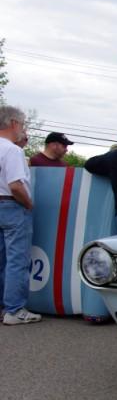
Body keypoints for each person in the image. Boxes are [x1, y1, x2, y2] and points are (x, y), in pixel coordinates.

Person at [0, 105, 41, 324]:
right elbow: (15, 185)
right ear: (14, 123)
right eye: (22, 124)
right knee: (17, 259)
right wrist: (28, 204)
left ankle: (3, 307)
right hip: (11, 205)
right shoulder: (12, 150)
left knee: (1, 259)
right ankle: (14, 310)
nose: (22, 129)